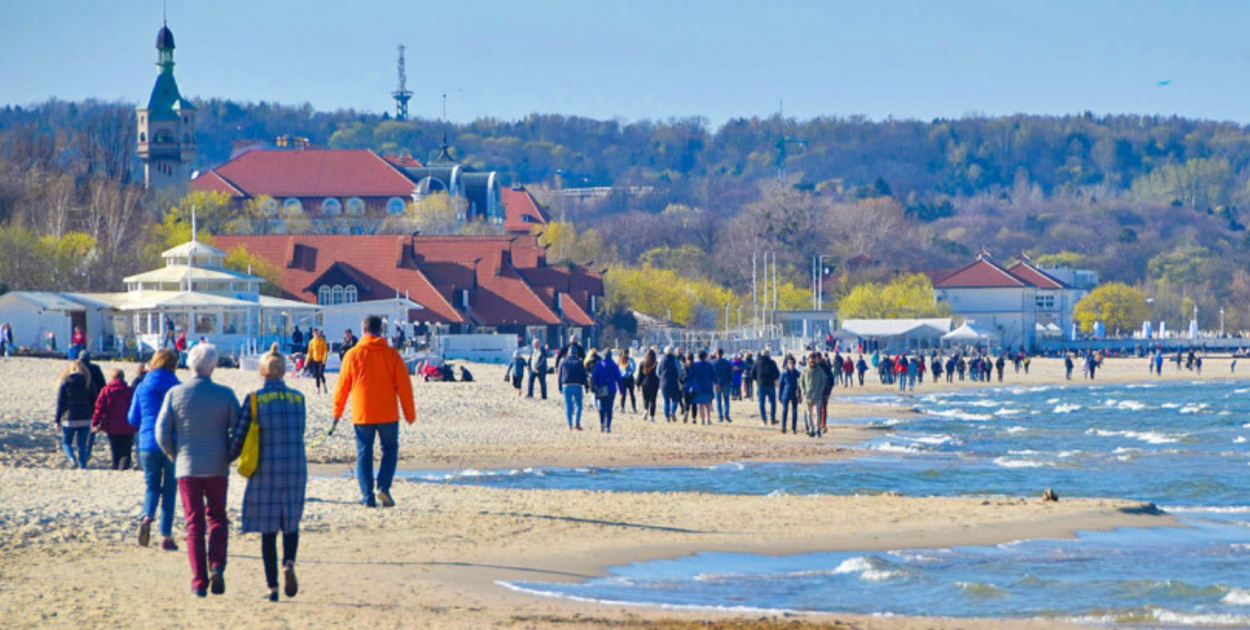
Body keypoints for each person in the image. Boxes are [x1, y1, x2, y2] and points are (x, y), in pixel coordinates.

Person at [156, 344, 240, 598]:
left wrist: (174, 454)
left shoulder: (176, 393)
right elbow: (239, 431)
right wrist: (229, 455)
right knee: (217, 518)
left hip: (187, 465)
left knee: (194, 525)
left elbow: (161, 432)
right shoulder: (225, 394)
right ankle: (217, 565)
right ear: (212, 366)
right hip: (216, 465)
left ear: (189, 364)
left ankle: (199, 582)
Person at [229, 344, 307, 602]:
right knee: (291, 522)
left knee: (268, 530)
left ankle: (272, 587)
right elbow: (300, 430)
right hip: (295, 468)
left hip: (265, 470)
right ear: (283, 371)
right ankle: (290, 562)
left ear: (262, 372)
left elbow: (239, 439)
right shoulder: (299, 399)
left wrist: (223, 457)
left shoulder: (254, 400)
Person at [332, 316, 416, 508]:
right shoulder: (391, 354)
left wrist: (337, 413)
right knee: (390, 450)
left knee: (364, 453)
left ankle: (367, 496)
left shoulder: (352, 354)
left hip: (363, 413)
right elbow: (404, 386)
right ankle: (383, 487)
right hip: (387, 413)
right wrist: (409, 414)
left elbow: (342, 387)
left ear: (363, 331)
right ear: (381, 331)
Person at [128, 349, 181, 551]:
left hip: (147, 442)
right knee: (169, 490)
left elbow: (132, 419)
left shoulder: (142, 386)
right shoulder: (177, 387)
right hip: (172, 443)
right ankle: (165, 535)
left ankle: (146, 516)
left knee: (151, 486)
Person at [92, 368, 137, 471]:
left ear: (112, 378)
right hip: (128, 424)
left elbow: (99, 408)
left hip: (111, 424)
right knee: (126, 450)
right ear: (123, 377)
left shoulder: (106, 390)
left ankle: (116, 466)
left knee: (115, 448)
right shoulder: (130, 390)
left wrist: (95, 422)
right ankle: (123, 468)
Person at [55, 360, 96, 468]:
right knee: (82, 445)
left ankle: (72, 459)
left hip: (70, 417)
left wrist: (57, 420)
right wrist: (93, 417)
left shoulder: (65, 381)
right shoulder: (88, 382)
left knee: (66, 443)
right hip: (85, 417)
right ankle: (83, 466)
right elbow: (94, 401)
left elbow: (60, 403)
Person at [591, 350, 623, 432]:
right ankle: (608, 426)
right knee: (609, 407)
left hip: (601, 388)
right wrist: (621, 390)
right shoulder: (614, 365)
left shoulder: (599, 365)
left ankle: (602, 423)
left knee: (602, 406)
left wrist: (594, 387)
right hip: (611, 388)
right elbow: (619, 378)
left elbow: (594, 377)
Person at [799, 352, 829, 437]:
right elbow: (801, 382)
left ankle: (817, 430)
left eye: (813, 361)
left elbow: (824, 381)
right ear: (808, 361)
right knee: (809, 414)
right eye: (810, 361)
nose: (812, 362)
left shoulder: (820, 370)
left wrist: (820, 391)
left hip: (817, 396)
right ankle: (811, 430)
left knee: (817, 413)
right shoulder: (805, 371)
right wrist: (803, 391)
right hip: (807, 396)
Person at [558, 349, 588, 430]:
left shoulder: (563, 362)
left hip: (566, 385)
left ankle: (569, 424)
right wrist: (586, 386)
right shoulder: (579, 362)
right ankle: (577, 423)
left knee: (568, 405)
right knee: (579, 405)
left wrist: (559, 387)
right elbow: (584, 375)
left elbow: (560, 375)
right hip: (577, 385)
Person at [690, 350, 716, 426]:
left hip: (698, 386)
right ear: (705, 357)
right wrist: (717, 383)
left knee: (701, 404)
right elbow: (713, 376)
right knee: (707, 403)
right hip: (708, 386)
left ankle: (703, 420)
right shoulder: (709, 365)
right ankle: (708, 419)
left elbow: (691, 375)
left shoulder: (694, 365)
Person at [754, 348, 780, 425]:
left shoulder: (757, 363)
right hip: (770, 384)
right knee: (772, 402)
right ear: (768, 354)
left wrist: (758, 380)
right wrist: (774, 379)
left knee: (761, 402)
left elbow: (752, 374)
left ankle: (763, 419)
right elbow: (777, 373)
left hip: (761, 384)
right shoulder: (772, 362)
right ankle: (772, 419)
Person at [658, 346, 681, 422]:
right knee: (675, 399)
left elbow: (658, 372)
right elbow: (679, 371)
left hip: (664, 382)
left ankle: (667, 417)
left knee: (666, 401)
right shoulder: (675, 360)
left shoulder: (662, 360)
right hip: (673, 382)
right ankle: (672, 411)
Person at [778, 354, 800, 434]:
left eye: (793, 363)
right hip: (786, 393)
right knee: (785, 410)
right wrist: (779, 397)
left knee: (794, 411)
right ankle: (783, 427)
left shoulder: (797, 373)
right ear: (787, 364)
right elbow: (780, 385)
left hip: (794, 394)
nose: (791, 365)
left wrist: (799, 396)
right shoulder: (784, 374)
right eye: (790, 363)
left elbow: (800, 386)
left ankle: (794, 427)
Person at [638, 348, 660, 422]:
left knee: (645, 398)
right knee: (653, 400)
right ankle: (652, 417)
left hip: (645, 382)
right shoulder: (655, 363)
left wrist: (638, 384)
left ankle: (645, 410)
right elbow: (658, 374)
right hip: (654, 383)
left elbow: (640, 375)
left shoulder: (642, 363)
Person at [712, 349, 734, 423]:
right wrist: (729, 381)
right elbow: (731, 373)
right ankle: (726, 415)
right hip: (726, 383)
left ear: (716, 354)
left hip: (717, 384)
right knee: (726, 400)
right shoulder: (727, 363)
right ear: (723, 354)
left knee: (718, 401)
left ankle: (720, 416)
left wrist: (714, 382)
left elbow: (712, 374)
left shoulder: (713, 363)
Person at [306, 329, 329, 394]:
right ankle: (318, 389)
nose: (316, 335)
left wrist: (324, 360)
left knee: (321, 374)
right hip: (315, 360)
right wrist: (306, 362)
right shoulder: (311, 342)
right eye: (315, 333)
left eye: (317, 333)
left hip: (322, 360)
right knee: (317, 375)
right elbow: (310, 353)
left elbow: (325, 351)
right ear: (313, 334)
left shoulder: (323, 341)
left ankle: (324, 386)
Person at [618, 349, 637, 414]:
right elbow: (633, 369)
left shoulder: (625, 360)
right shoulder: (622, 360)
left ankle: (631, 408)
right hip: (626, 378)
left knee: (629, 394)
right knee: (627, 394)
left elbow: (633, 369)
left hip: (626, 378)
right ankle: (625, 408)